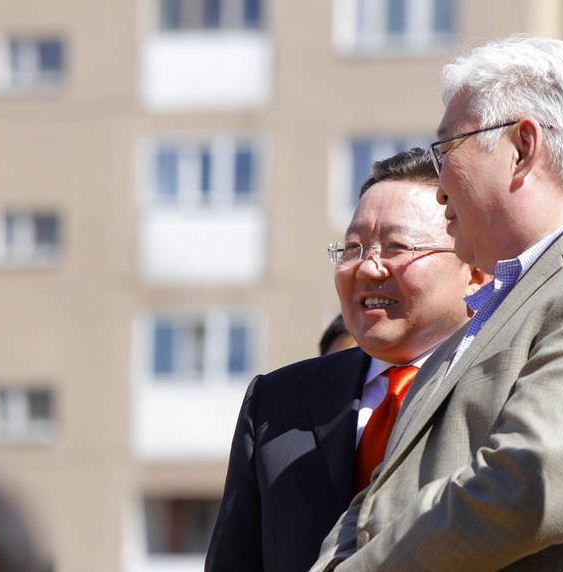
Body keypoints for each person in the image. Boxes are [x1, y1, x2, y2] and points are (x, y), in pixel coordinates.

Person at [313, 35, 563, 571]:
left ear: (522, 147)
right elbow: (378, 498)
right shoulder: (498, 298)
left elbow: (531, 481)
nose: (439, 188)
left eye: (446, 150)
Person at [205, 148, 484, 572]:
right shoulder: (278, 401)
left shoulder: (507, 383)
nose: (368, 268)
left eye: (397, 247)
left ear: (475, 270)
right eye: (353, 248)